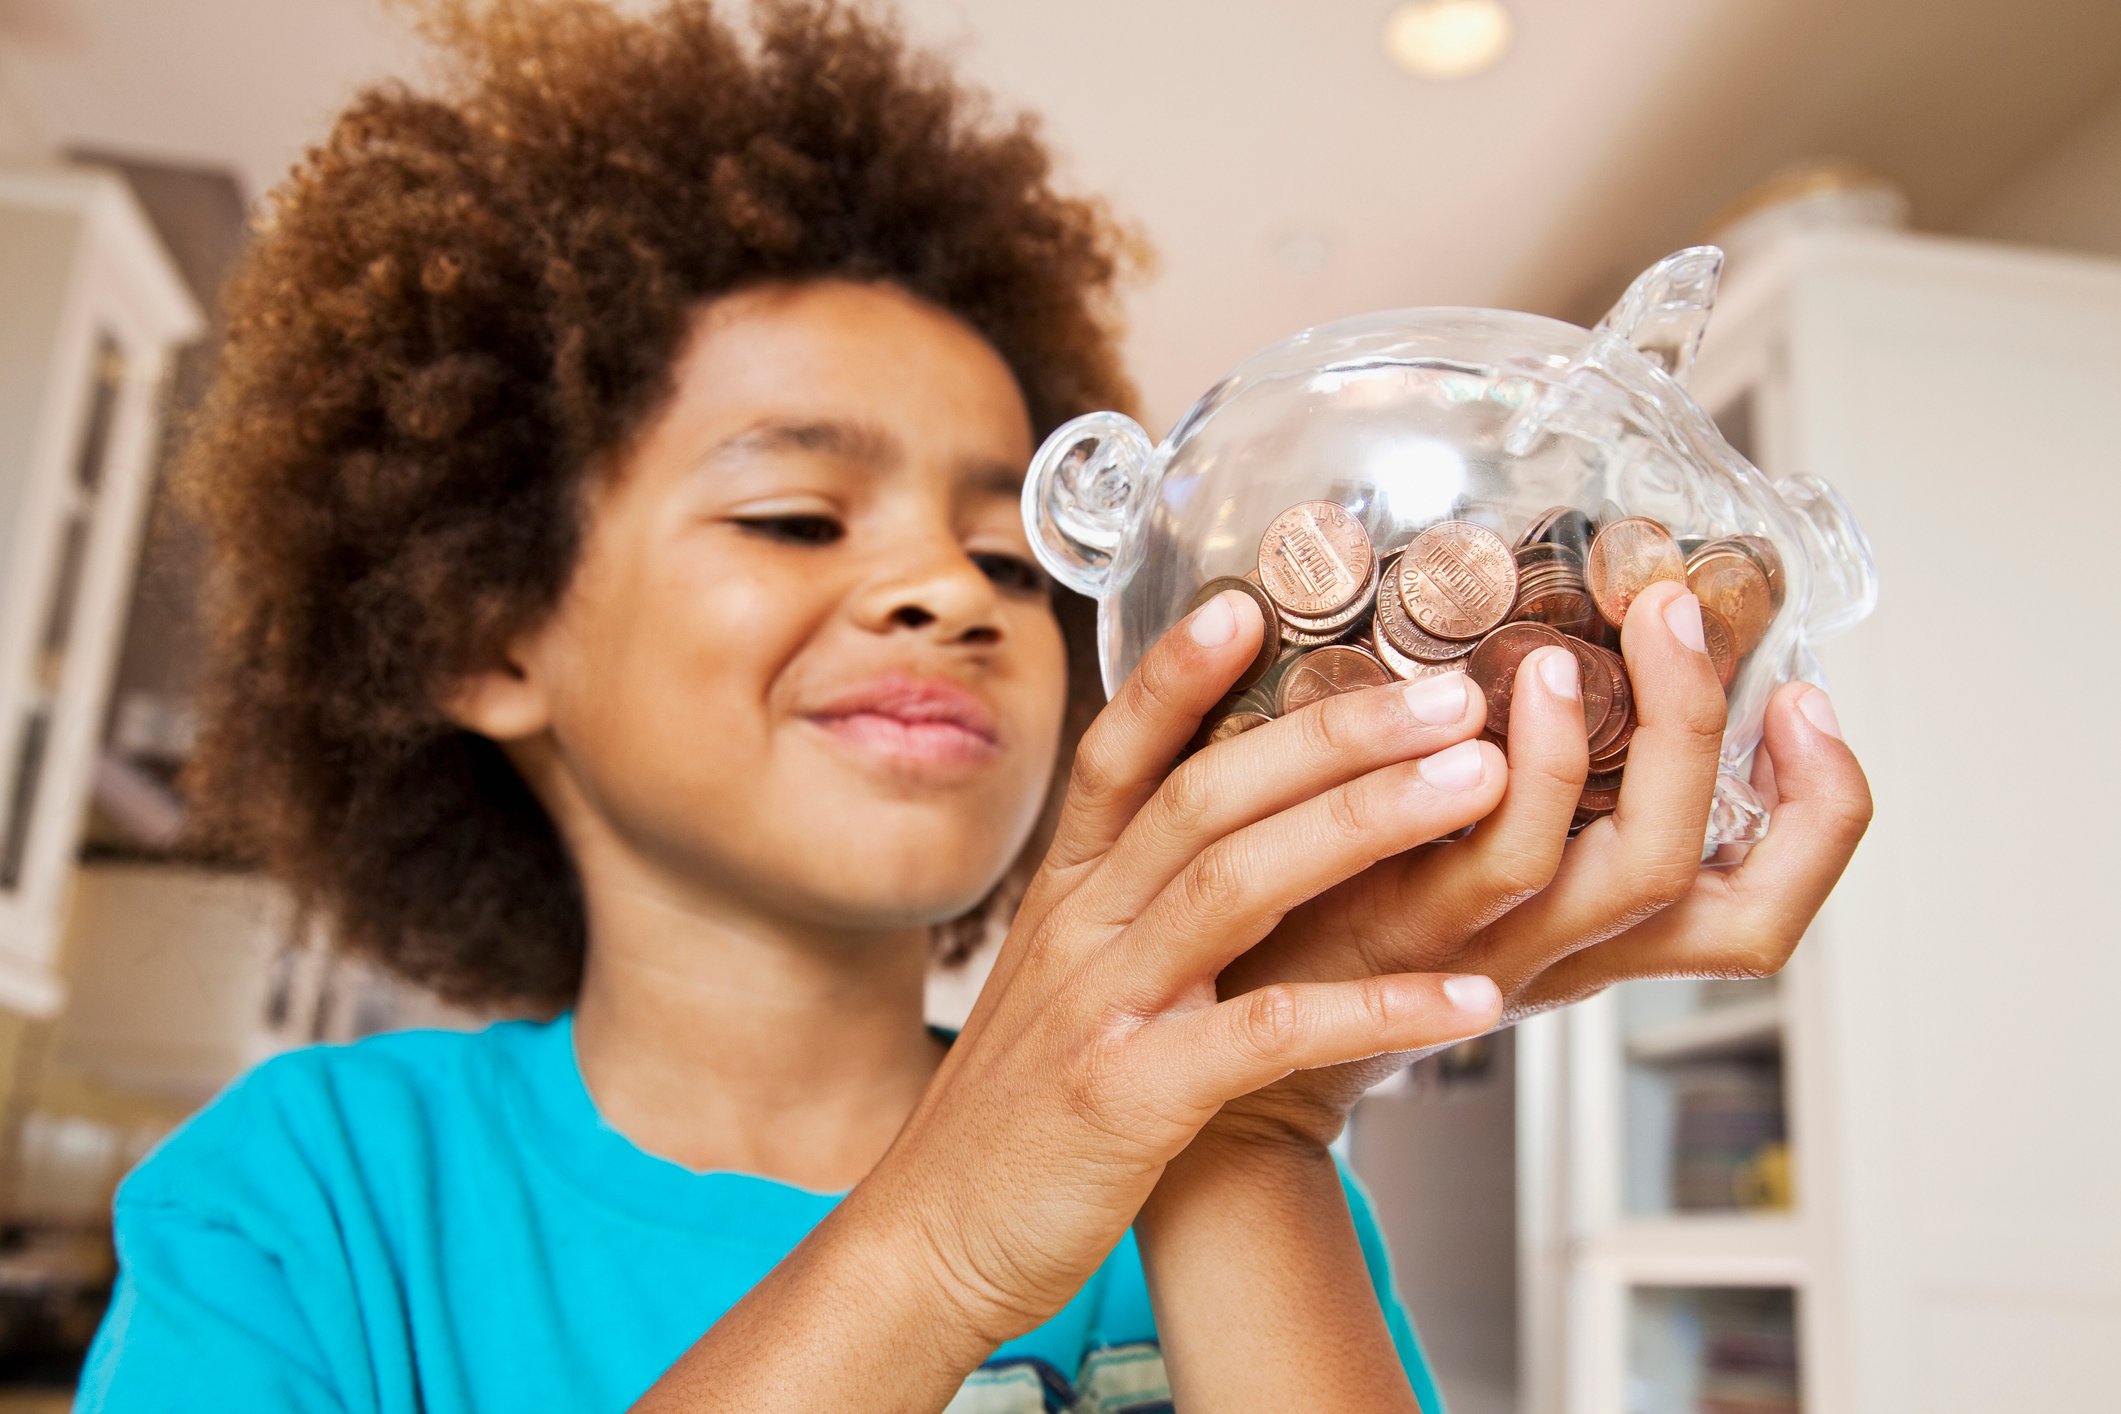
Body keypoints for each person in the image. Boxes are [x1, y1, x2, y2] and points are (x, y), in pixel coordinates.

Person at [74, 1, 1871, 1410]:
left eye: (1011, 558)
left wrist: (1251, 1122)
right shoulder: (302, 1203)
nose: (949, 588)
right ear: (488, 635)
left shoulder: (1226, 1159)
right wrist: (932, 1247)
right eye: (794, 513)